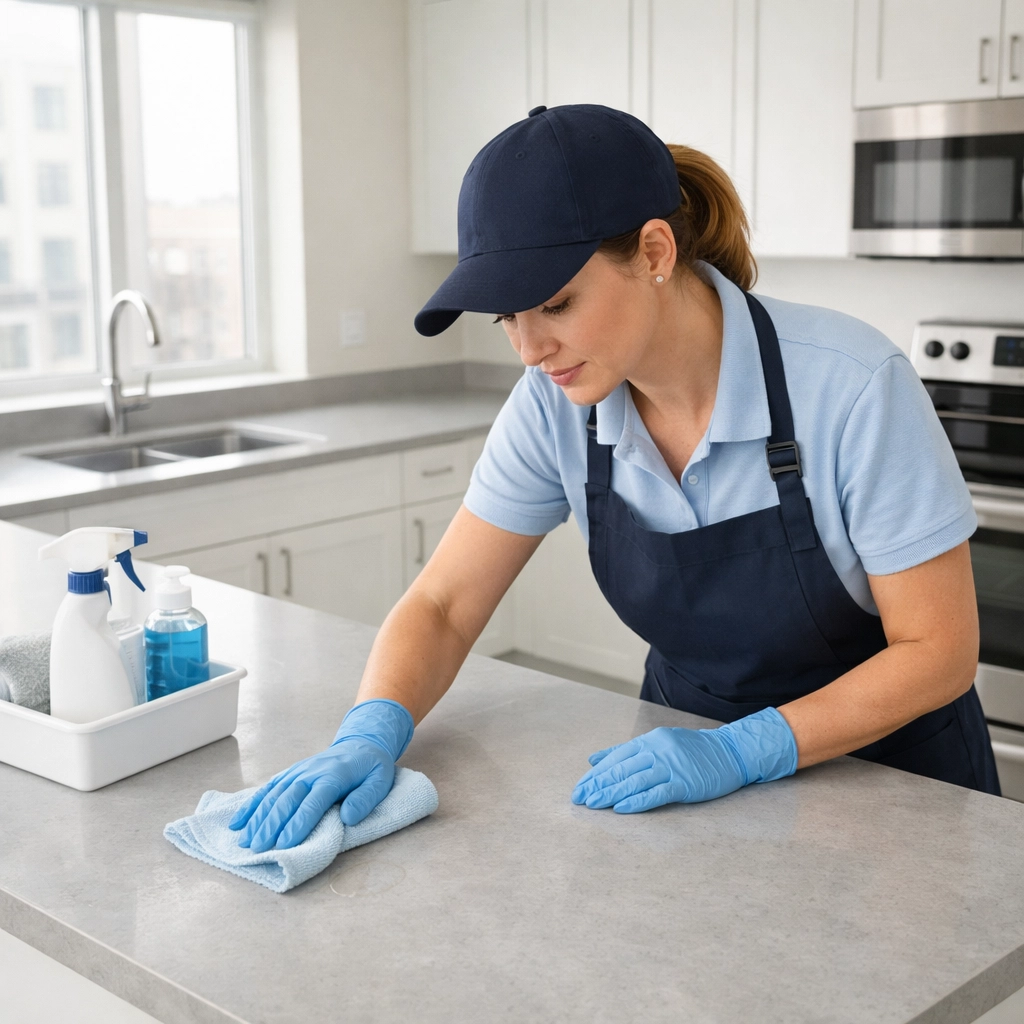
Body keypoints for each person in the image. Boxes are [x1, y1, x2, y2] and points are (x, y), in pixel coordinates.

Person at [230, 104, 998, 853]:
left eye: (556, 303)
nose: (529, 349)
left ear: (656, 253)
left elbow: (938, 648)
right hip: (678, 784)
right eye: (505, 318)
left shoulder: (852, 385)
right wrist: (371, 728)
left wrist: (743, 752)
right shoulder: (556, 403)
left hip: (897, 795)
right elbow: (444, 603)